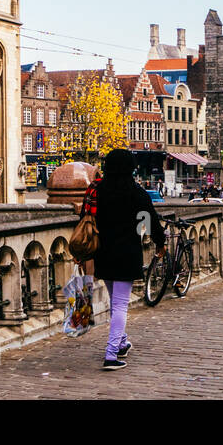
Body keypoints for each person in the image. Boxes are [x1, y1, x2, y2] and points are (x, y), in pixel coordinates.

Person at [92, 148, 164, 371]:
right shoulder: (137, 193)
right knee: (121, 305)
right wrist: (160, 243)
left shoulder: (98, 190)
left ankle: (121, 343)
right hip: (126, 253)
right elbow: (148, 222)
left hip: (103, 252)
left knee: (116, 302)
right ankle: (111, 354)